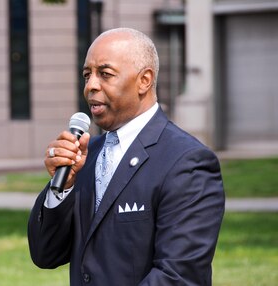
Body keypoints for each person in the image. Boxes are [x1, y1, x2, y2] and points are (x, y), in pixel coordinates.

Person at [28, 27, 225, 286]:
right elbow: (46, 254)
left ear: (144, 80)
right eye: (87, 75)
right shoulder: (85, 157)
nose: (90, 86)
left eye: (105, 74)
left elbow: (179, 276)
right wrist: (62, 189)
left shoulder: (187, 163)